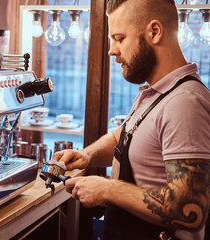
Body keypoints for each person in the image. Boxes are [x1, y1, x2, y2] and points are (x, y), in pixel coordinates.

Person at [52, 0, 210, 239]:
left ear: (154, 32)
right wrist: (88, 155)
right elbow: (126, 135)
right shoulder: (156, 93)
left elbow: (190, 209)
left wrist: (107, 189)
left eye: (119, 38)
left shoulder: (184, 103)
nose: (111, 50)